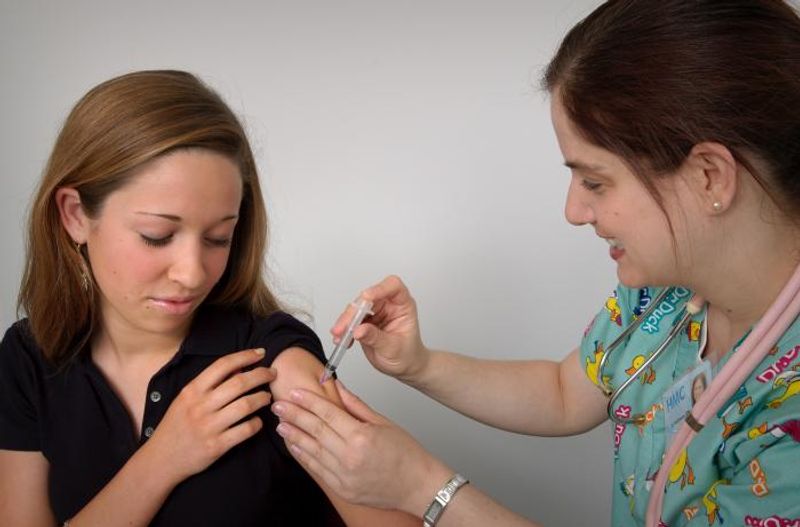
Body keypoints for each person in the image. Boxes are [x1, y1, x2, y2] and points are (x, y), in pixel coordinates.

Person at [270, 1, 800, 526]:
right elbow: (565, 393)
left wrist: (422, 487)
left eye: (595, 181)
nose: (573, 211)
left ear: (709, 176)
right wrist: (419, 365)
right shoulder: (663, 296)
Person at [0, 70, 417, 527]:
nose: (193, 273)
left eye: (218, 238)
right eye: (157, 236)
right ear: (76, 216)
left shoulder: (272, 361)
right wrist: (162, 460)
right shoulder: (29, 358)